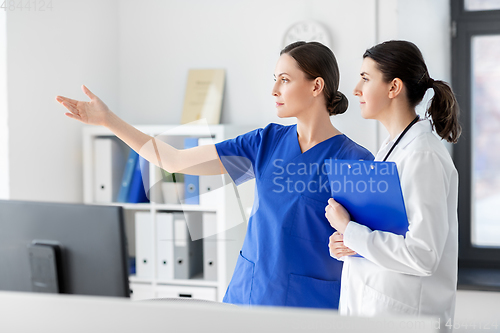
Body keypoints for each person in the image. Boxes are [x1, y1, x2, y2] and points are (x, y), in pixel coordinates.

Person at [57, 41, 374, 309]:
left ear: (316, 86)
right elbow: (174, 161)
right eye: (275, 78)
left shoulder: (355, 160)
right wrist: (109, 121)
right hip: (249, 294)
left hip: (310, 306)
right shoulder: (264, 142)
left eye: (285, 80)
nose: (274, 89)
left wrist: (352, 241)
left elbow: (376, 242)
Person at [325, 40, 460, 326]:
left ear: (393, 87)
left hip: (404, 318)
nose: (355, 90)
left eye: (365, 78)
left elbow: (423, 255)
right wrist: (348, 242)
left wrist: (350, 230)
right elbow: (387, 232)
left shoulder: (423, 155)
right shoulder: (390, 149)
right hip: (376, 313)